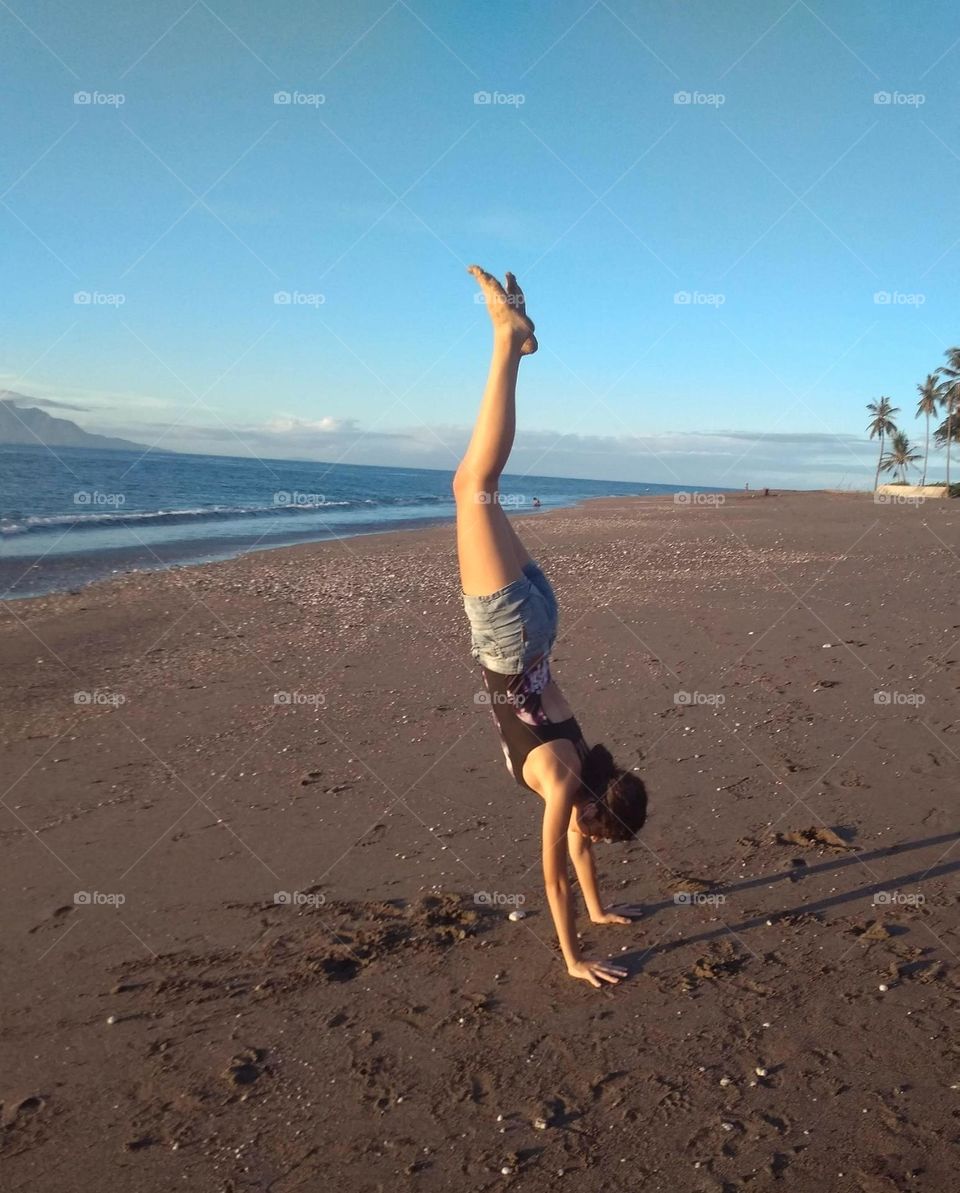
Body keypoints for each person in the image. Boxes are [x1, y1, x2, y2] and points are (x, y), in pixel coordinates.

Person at [454, 266, 648, 988]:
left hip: (540, 621)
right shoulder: (564, 781)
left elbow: (578, 850)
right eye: (596, 827)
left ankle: (517, 344)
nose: (586, 835)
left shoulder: (583, 758)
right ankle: (506, 340)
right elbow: (553, 874)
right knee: (472, 486)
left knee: (483, 491)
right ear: (592, 806)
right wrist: (573, 958)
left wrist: (601, 912)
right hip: (509, 633)